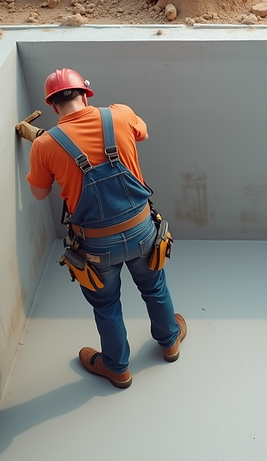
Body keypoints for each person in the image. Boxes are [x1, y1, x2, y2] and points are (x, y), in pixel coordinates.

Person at [18, 68, 185, 389]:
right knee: (154, 288)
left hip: (95, 248)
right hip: (142, 232)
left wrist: (44, 145)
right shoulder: (120, 115)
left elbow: (39, 193)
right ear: (85, 94)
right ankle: (170, 342)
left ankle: (118, 368)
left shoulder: (45, 146)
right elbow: (143, 134)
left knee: (107, 307)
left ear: (52, 106)